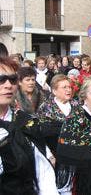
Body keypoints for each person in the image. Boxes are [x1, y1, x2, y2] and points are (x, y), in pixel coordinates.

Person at [0, 57, 59, 195]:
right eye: (1, 79)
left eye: (13, 79)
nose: (8, 85)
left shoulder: (26, 122)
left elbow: (43, 173)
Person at [37, 74, 80, 194]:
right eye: (64, 87)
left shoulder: (77, 105)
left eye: (69, 87)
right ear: (54, 91)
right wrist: (49, 155)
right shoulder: (46, 108)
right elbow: (40, 135)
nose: (68, 90)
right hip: (56, 157)